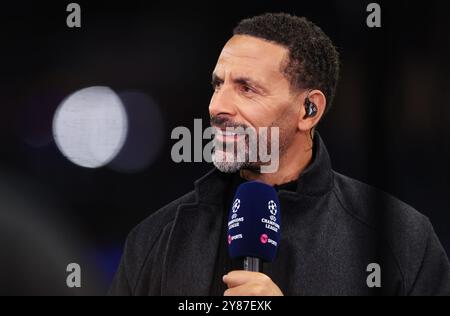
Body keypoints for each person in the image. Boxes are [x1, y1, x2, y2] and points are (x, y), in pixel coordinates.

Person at [109, 13, 450, 296]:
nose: (218, 107)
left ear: (309, 110)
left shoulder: (401, 239)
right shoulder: (154, 240)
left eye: (246, 88)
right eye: (218, 84)